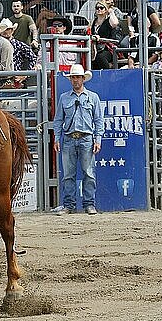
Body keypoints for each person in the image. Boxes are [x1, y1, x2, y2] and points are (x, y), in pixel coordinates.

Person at [53, 64, 104, 216]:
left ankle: (89, 204)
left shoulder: (93, 97)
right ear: (71, 79)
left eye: (78, 77)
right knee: (68, 174)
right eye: (73, 77)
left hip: (86, 138)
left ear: (83, 79)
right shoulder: (64, 98)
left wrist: (98, 139)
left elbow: (99, 120)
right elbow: (58, 120)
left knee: (88, 173)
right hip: (69, 138)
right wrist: (57, 138)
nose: (76, 80)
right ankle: (69, 205)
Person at [90, 0, 119, 70]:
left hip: (107, 49)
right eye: (97, 8)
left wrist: (111, 11)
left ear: (106, 10)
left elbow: (115, 23)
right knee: (91, 60)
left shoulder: (108, 21)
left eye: (101, 8)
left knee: (100, 57)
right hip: (95, 49)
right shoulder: (93, 22)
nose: (99, 9)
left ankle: (108, 75)